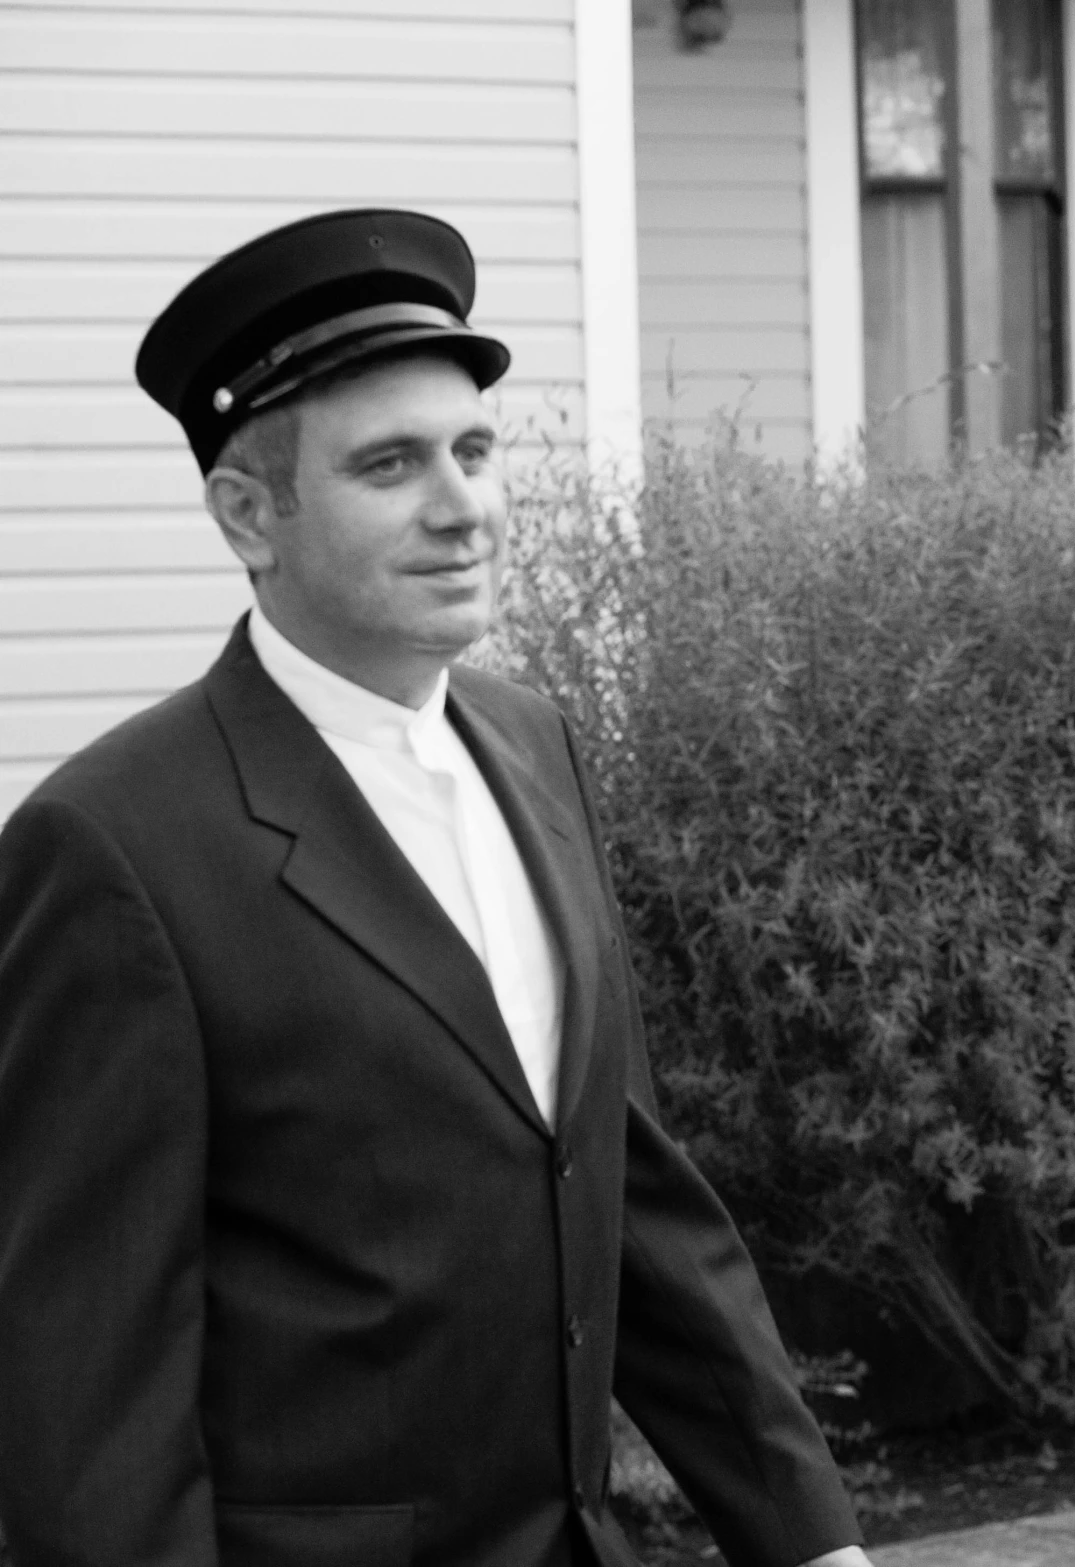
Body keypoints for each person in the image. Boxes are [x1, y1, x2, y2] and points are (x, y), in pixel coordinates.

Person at [0, 210, 871, 1567]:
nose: (461, 503)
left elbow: (621, 1190)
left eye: (474, 449)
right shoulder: (111, 848)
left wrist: (812, 1539)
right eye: (390, 465)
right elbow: (90, 1376)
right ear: (248, 515)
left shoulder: (535, 745)